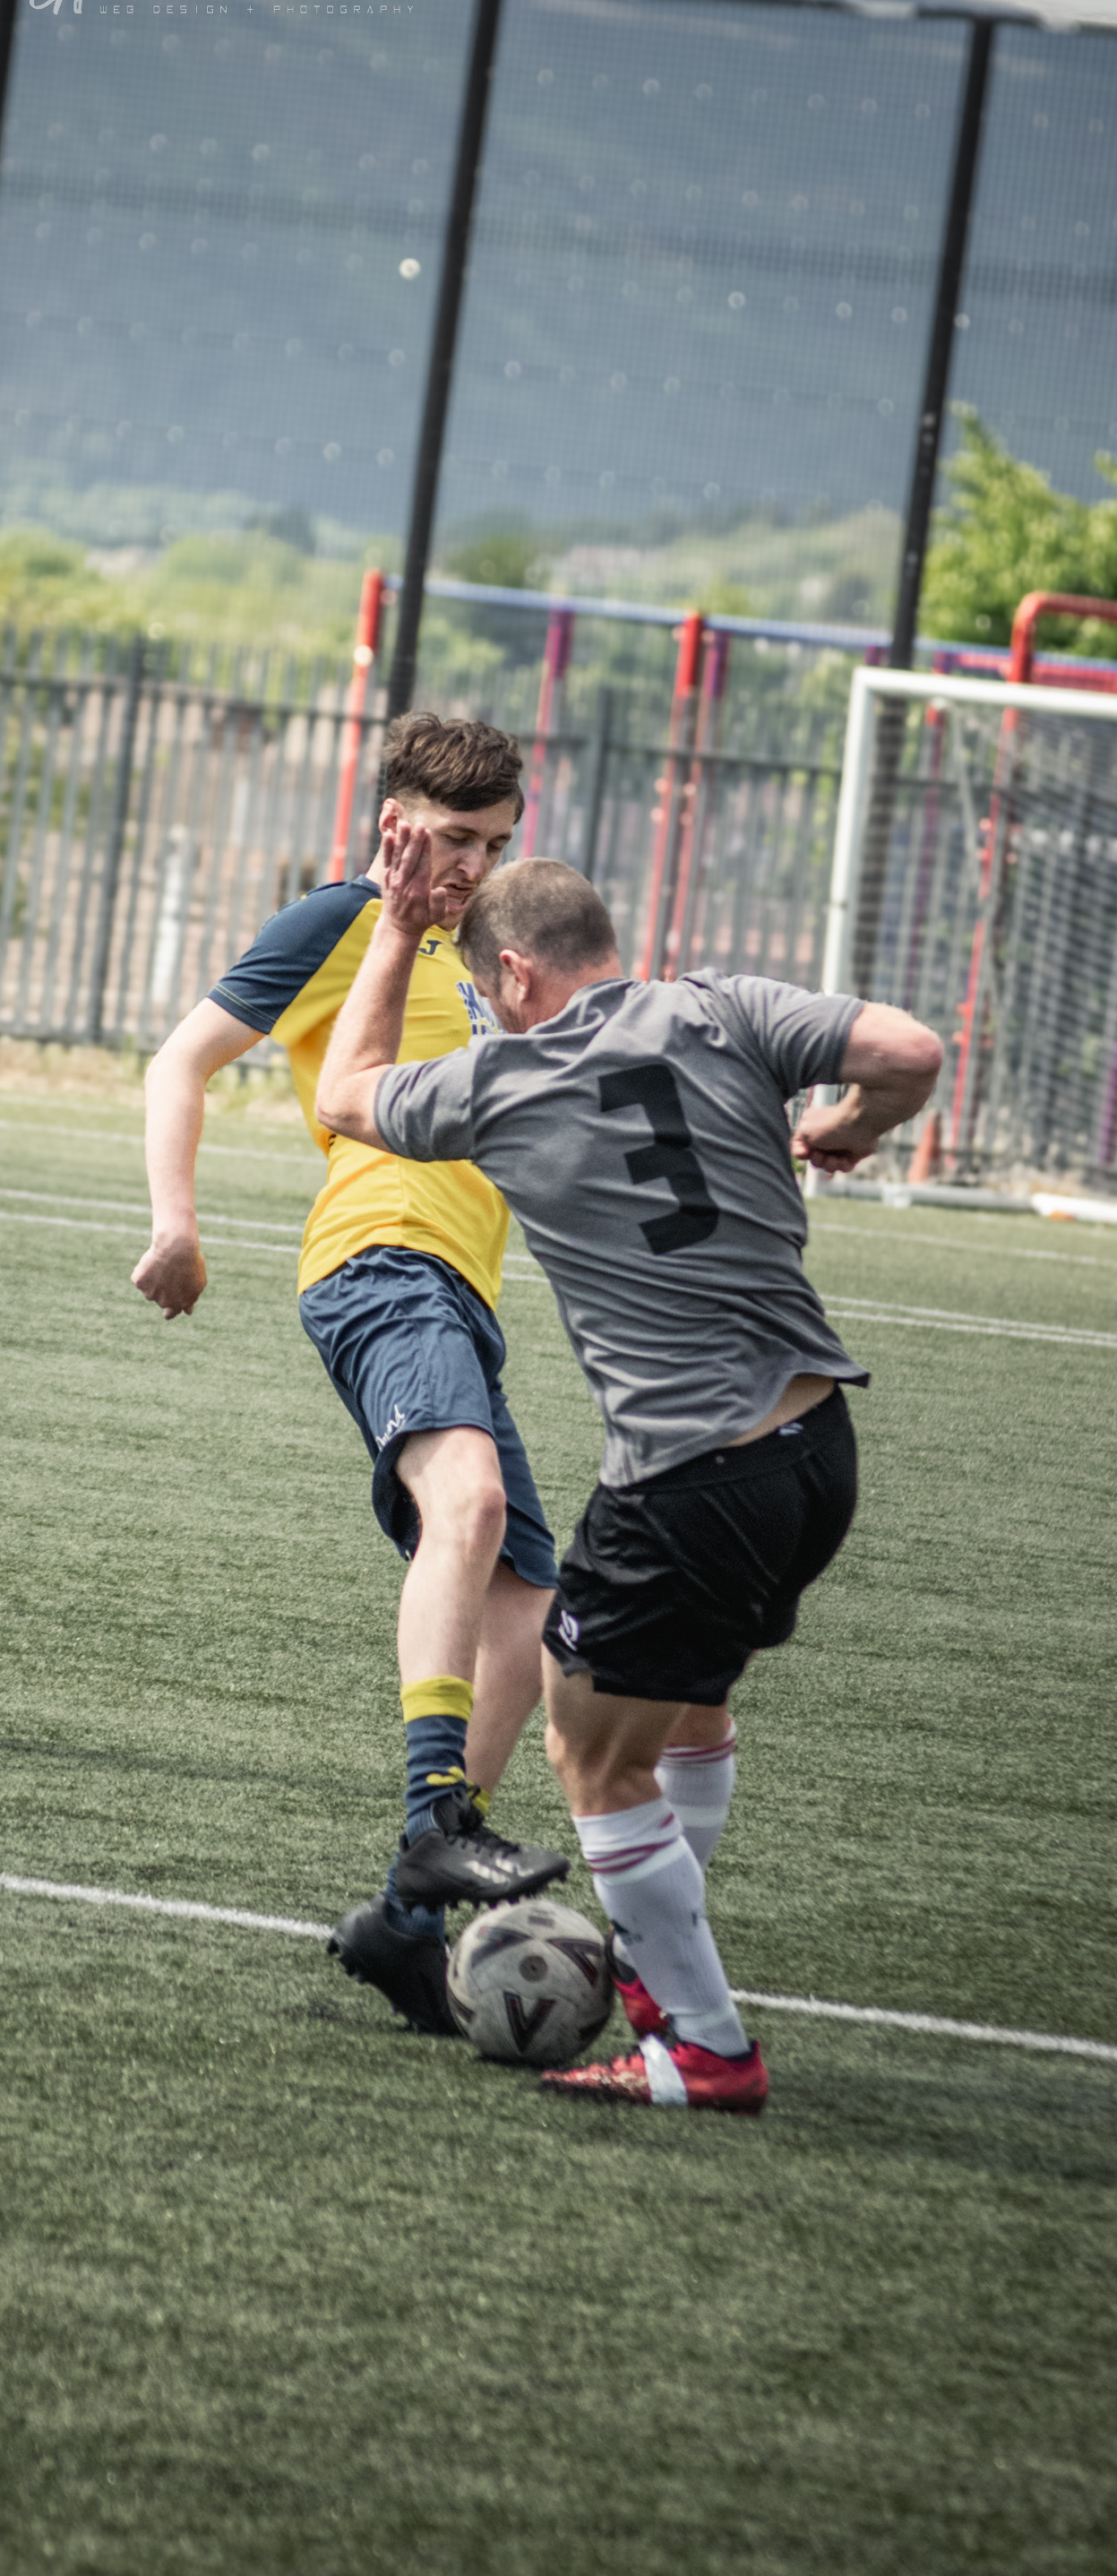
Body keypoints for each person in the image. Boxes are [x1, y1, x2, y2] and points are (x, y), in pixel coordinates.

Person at [314, 833, 942, 2111]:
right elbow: (911, 1051)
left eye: (486, 992)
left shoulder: (502, 1079)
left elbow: (345, 1094)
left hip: (686, 1482)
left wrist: (395, 923)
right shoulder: (724, 1008)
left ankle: (698, 2044)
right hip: (816, 1453)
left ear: (514, 973)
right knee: (689, 1711)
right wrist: (850, 1125)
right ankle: (667, 1950)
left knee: (590, 1753)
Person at [133, 714, 570, 2040]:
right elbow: (179, 1059)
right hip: (377, 1261)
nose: (470, 865)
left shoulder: (493, 950)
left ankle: (404, 1918)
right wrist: (175, 1224)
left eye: (493, 842)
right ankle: (436, 1816)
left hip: (465, 1292)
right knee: (467, 1502)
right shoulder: (340, 919)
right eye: (452, 839)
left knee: (527, 1604)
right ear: (393, 822)